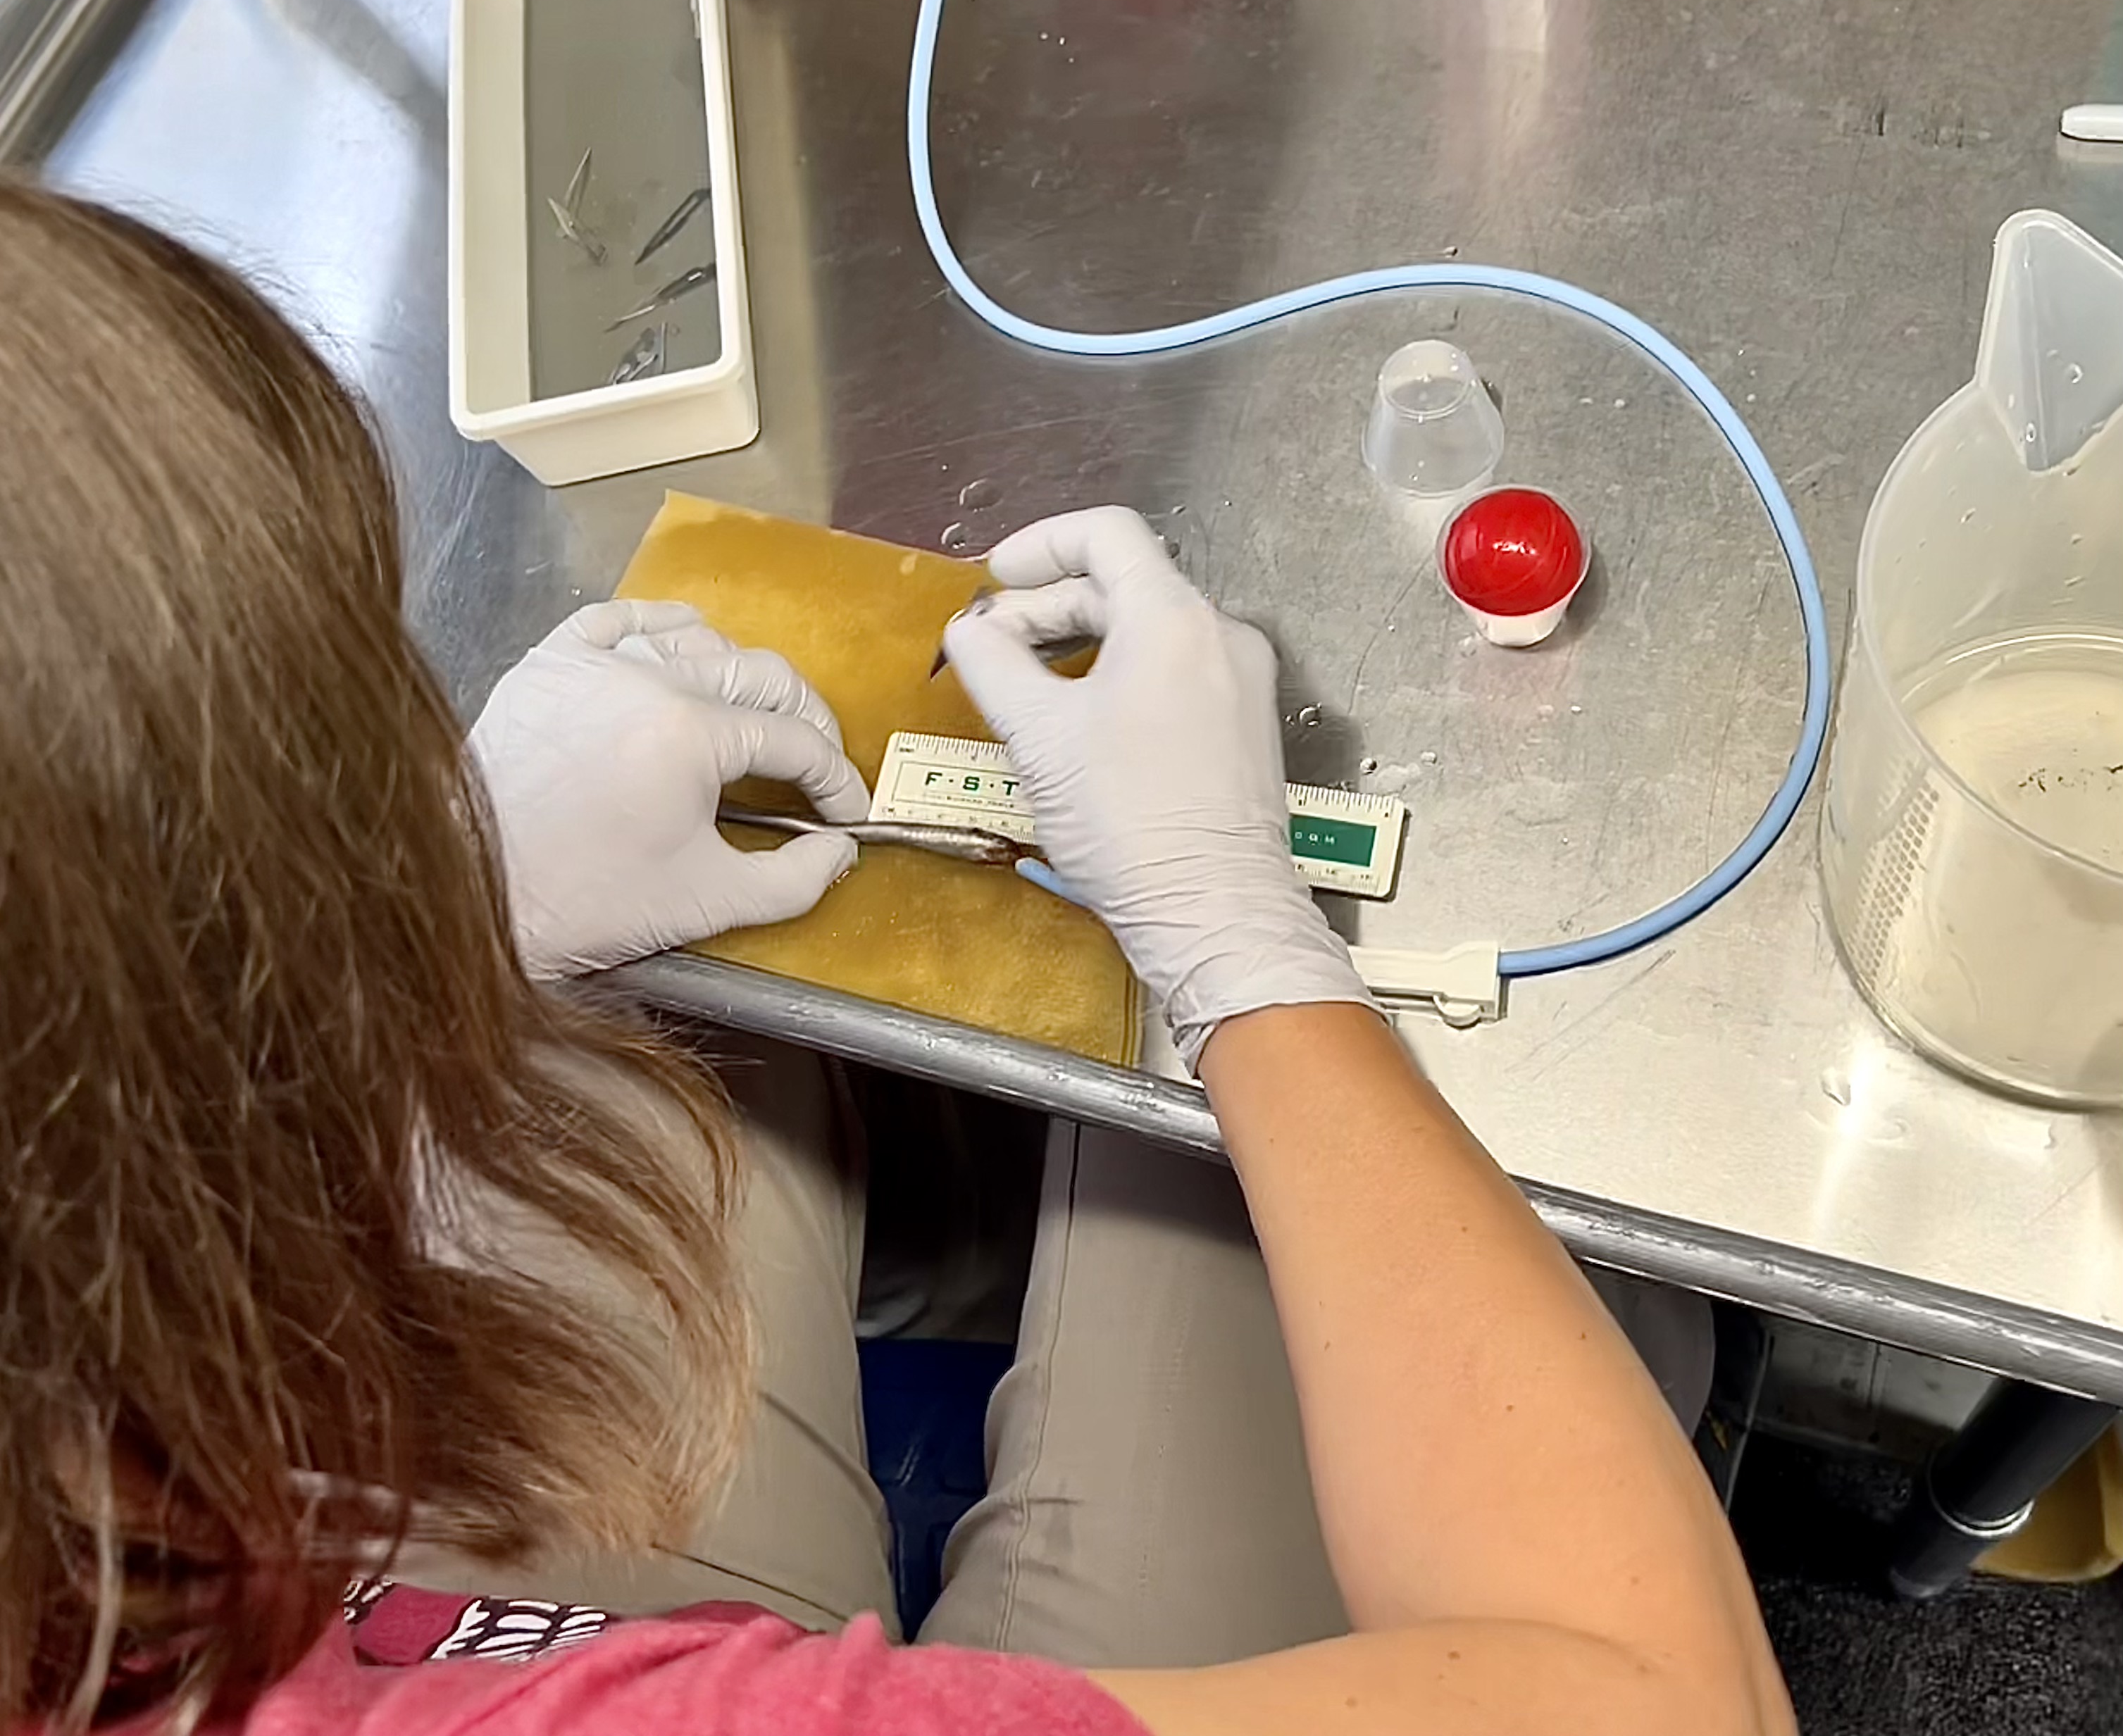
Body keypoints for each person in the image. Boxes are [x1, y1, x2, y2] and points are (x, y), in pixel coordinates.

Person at [0, 178, 1794, 1736]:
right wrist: (1243, 946)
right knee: (1337, 1202)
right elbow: (1662, 1697)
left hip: (368, 1624)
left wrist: (449, 927)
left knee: (645, 1020)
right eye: (341, 799)